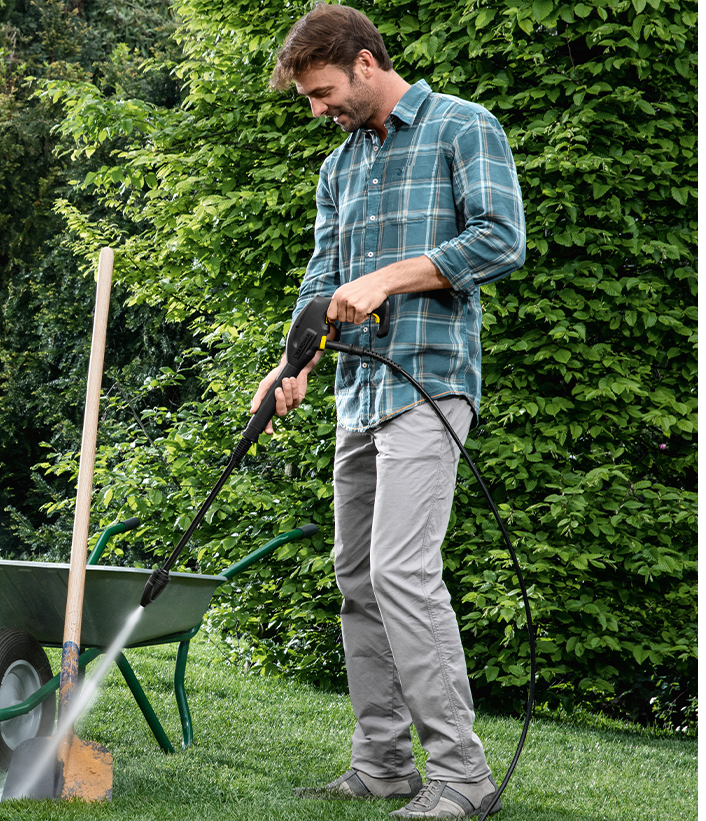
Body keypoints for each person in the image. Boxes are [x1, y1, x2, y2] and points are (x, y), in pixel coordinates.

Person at [252, 4, 526, 819]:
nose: (318, 109)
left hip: (429, 384)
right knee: (356, 579)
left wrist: (393, 277)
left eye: (325, 92)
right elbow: (320, 279)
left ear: (367, 64)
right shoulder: (339, 167)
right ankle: (381, 763)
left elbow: (501, 239)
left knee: (403, 572)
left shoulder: (461, 128)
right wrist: (291, 363)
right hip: (358, 394)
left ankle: (464, 777)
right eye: (309, 98)